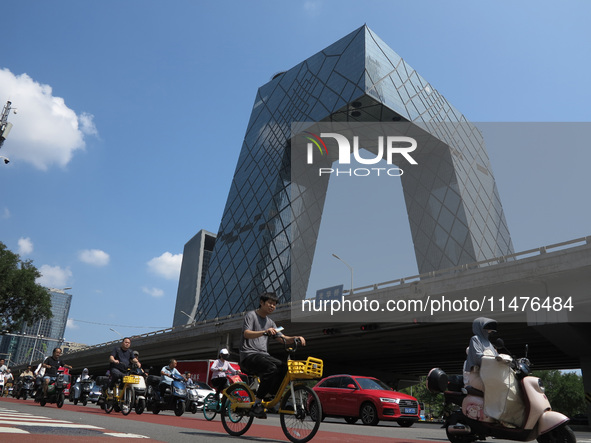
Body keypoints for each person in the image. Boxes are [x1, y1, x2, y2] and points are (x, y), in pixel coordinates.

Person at [240, 292, 306, 419]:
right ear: (261, 303)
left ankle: (270, 395)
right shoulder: (251, 315)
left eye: (274, 304)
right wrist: (264, 331)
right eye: (270, 303)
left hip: (263, 355)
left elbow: (282, 338)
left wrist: (295, 338)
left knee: (283, 367)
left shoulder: (270, 322)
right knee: (271, 367)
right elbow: (246, 333)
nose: (272, 306)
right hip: (249, 355)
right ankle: (257, 404)